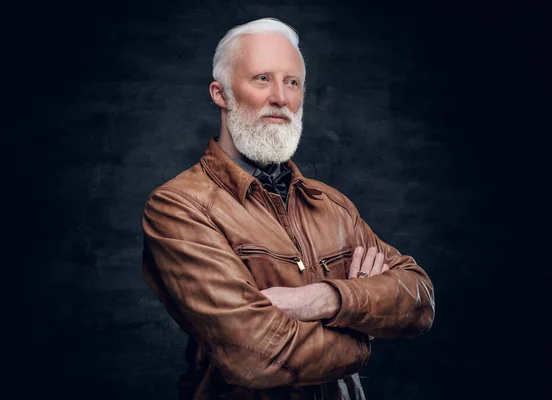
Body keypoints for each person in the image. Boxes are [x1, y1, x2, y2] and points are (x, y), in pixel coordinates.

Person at [141, 17, 435, 400]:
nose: (280, 97)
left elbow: (419, 298)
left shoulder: (331, 204)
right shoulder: (179, 206)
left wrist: (323, 298)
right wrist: (364, 333)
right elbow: (255, 355)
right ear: (221, 93)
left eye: (292, 82)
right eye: (262, 78)